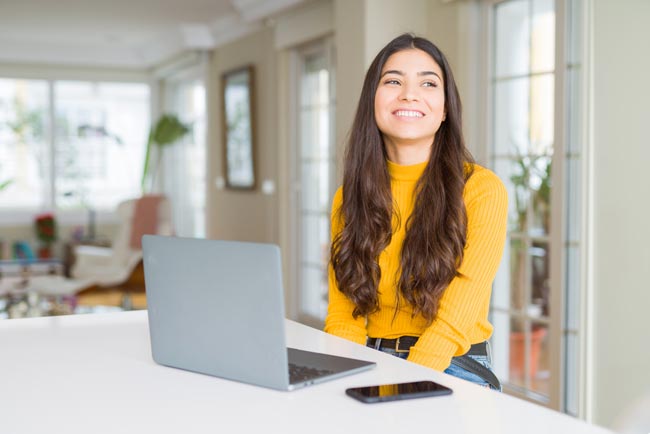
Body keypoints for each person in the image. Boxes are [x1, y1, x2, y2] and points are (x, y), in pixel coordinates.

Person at [324, 33, 508, 390]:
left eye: (428, 83)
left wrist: (404, 383)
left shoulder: (482, 189)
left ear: (444, 110)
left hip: (452, 362)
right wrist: (340, 382)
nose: (409, 94)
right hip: (366, 359)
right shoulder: (349, 197)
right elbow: (343, 314)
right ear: (372, 102)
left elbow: (455, 319)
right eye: (393, 81)